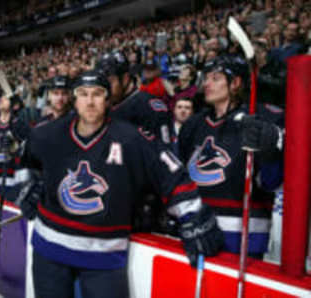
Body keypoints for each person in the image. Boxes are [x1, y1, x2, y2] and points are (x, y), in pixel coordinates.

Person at [14, 70, 223, 298]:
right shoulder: (49, 134)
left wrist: (192, 215)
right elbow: (27, 161)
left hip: (104, 256)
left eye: (97, 94)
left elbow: (172, 173)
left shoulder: (131, 138)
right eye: (83, 94)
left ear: (108, 100)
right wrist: (31, 185)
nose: (90, 101)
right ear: (75, 100)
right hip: (50, 249)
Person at [178, 55, 284, 257]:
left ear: (235, 83)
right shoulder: (193, 125)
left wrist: (271, 147)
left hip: (245, 232)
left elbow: (271, 181)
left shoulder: (262, 119)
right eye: (206, 78)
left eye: (215, 78)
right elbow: (182, 174)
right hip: (199, 226)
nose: (207, 84)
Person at [95, 51, 172, 143]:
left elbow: (163, 151)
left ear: (125, 79)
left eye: (109, 82)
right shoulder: (102, 107)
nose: (105, 89)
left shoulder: (149, 108)